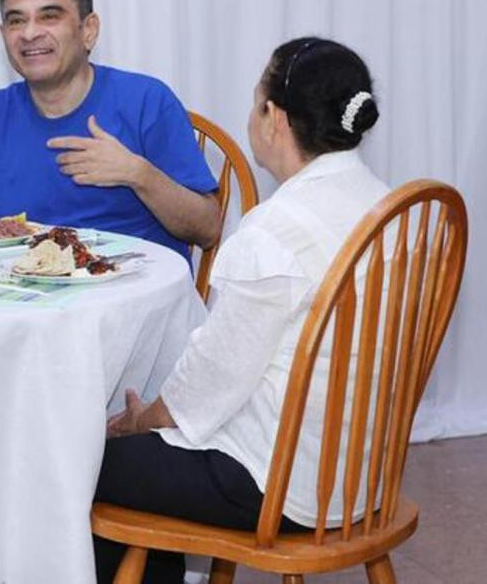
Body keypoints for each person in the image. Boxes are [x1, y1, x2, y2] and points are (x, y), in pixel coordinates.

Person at [94, 37, 386, 582]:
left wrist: (142, 420)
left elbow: (212, 379)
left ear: (274, 118)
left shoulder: (276, 232)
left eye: (256, 101)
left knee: (86, 461)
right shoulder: (388, 206)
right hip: (362, 476)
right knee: (142, 455)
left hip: (282, 485)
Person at [0, 0, 220, 259]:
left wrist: (137, 173)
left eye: (49, 17)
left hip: (136, 296)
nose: (29, 34)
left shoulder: (146, 101)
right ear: (4, 35)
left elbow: (208, 229)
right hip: (33, 296)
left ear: (88, 30)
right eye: (16, 21)